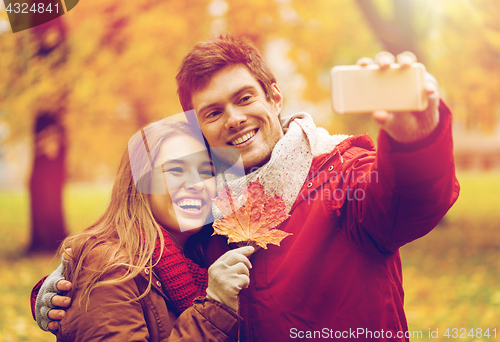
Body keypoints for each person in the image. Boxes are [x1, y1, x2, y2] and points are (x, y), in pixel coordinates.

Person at [35, 35, 459, 341]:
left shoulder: (343, 175)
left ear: (274, 97)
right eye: (213, 112)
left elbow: (411, 201)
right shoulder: (210, 211)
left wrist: (415, 141)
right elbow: (141, 266)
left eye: (243, 98)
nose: (234, 119)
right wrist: (65, 285)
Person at [32, 116, 255, 341]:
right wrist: (214, 309)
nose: (196, 184)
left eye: (206, 172)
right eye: (176, 170)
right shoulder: (110, 266)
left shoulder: (205, 253)